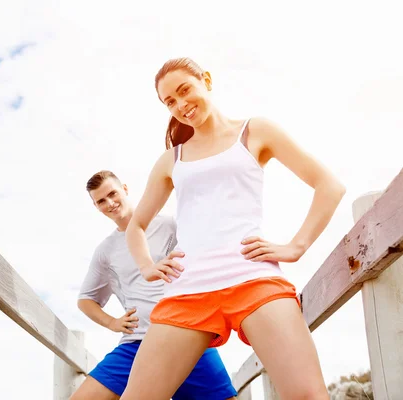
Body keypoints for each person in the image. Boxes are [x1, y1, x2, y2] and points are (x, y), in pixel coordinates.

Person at [122, 58, 346, 400]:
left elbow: (329, 185)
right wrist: (148, 267)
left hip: (252, 278)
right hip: (188, 289)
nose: (180, 105)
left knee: (308, 396)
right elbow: (136, 225)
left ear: (206, 81)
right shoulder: (172, 160)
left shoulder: (255, 131)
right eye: (169, 102)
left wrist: (296, 246)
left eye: (185, 90)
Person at [72, 170, 237, 400]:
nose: (110, 203)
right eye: (101, 200)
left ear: (125, 189)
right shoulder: (106, 251)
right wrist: (112, 322)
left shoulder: (170, 225)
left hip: (187, 336)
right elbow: (85, 300)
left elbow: (210, 255)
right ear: (96, 206)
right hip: (137, 343)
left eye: (112, 193)